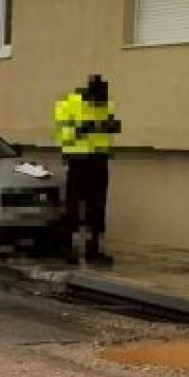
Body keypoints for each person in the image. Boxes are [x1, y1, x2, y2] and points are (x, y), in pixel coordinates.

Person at [54, 74, 121, 265]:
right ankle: (71, 249)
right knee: (75, 209)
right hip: (80, 161)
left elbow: (111, 129)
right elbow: (68, 133)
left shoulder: (102, 106)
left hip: (97, 161)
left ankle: (92, 250)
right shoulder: (70, 105)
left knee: (95, 209)